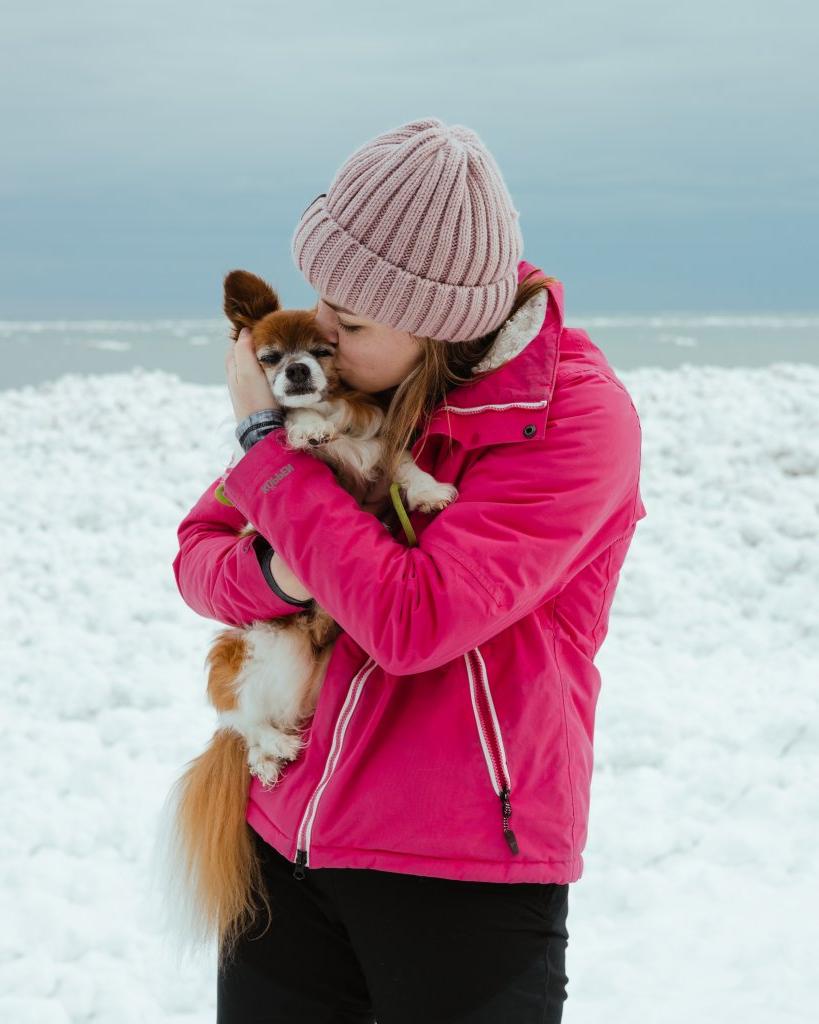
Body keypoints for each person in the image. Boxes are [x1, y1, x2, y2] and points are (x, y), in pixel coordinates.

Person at [172, 117, 647, 1023]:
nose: (321, 335)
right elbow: (199, 557)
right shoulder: (357, 394)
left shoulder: (572, 421)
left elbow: (413, 623)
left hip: (459, 864)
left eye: (347, 323)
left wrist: (264, 447)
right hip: (285, 837)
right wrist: (281, 578)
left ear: (433, 324)